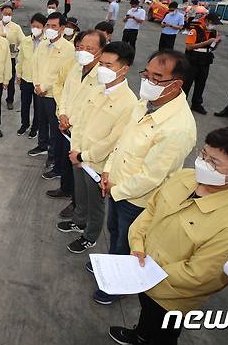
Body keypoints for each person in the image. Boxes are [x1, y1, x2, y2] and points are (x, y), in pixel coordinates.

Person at [109, 125, 228, 345]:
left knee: (163, 333)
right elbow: (151, 211)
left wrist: (145, 275)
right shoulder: (185, 177)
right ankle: (140, 334)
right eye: (203, 154)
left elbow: (199, 277)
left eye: (214, 162)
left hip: (171, 296)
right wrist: (137, 246)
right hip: (141, 271)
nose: (203, 164)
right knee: (147, 316)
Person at [93, 50, 197, 305]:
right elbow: (124, 141)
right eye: (147, 74)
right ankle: (110, 265)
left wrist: (115, 189)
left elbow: (152, 177)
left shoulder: (178, 127)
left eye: (157, 77)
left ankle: (115, 287)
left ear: (177, 84)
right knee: (114, 229)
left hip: (138, 200)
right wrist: (107, 170)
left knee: (127, 241)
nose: (148, 81)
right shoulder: (147, 102)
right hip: (116, 184)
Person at [56, 42, 138, 254]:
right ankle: (79, 221)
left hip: (96, 163)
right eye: (101, 63)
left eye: (108, 65)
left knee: (96, 203)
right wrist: (76, 151)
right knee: (80, 194)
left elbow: (113, 141)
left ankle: (90, 236)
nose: (101, 69)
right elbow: (81, 120)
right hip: (78, 155)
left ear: (124, 69)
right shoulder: (99, 89)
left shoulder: (129, 103)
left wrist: (84, 155)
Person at [48, 31, 107, 196]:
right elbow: (66, 93)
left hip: (83, 132)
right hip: (65, 125)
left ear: (102, 51)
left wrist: (71, 121)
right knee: (65, 162)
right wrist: (62, 114)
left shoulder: (102, 77)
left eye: (90, 48)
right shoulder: (76, 67)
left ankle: (76, 205)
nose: (84, 52)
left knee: (80, 172)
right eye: (81, 47)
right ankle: (65, 189)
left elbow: (92, 108)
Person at [28, 12, 75, 167]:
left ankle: (53, 156)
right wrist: (36, 84)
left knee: (54, 128)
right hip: (39, 91)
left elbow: (61, 75)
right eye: (48, 25)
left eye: (54, 26)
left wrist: (44, 86)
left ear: (62, 28)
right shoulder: (42, 44)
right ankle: (42, 145)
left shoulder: (68, 49)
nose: (49, 28)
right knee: (41, 121)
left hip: (53, 95)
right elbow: (35, 65)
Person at [182, 11, 223, 115]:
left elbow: (212, 48)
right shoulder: (195, 30)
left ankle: (196, 104)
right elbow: (189, 47)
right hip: (192, 60)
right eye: (213, 23)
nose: (214, 26)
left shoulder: (213, 32)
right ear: (207, 20)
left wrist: (217, 43)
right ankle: (181, 104)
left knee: (201, 83)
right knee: (187, 83)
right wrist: (207, 42)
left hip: (205, 60)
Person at [16, 13, 46, 138]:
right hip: (26, 78)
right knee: (25, 104)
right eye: (33, 26)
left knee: (38, 107)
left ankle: (35, 127)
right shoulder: (26, 41)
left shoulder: (47, 42)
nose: (35, 29)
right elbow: (20, 59)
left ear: (44, 27)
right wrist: (19, 74)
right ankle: (24, 124)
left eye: (38, 26)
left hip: (39, 81)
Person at [0, 4, 26, 110]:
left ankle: (10, 100)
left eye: (9, 14)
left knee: (10, 79)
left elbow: (23, 41)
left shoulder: (16, 27)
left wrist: (18, 48)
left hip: (10, 57)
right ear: (1, 13)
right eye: (5, 14)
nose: (7, 16)